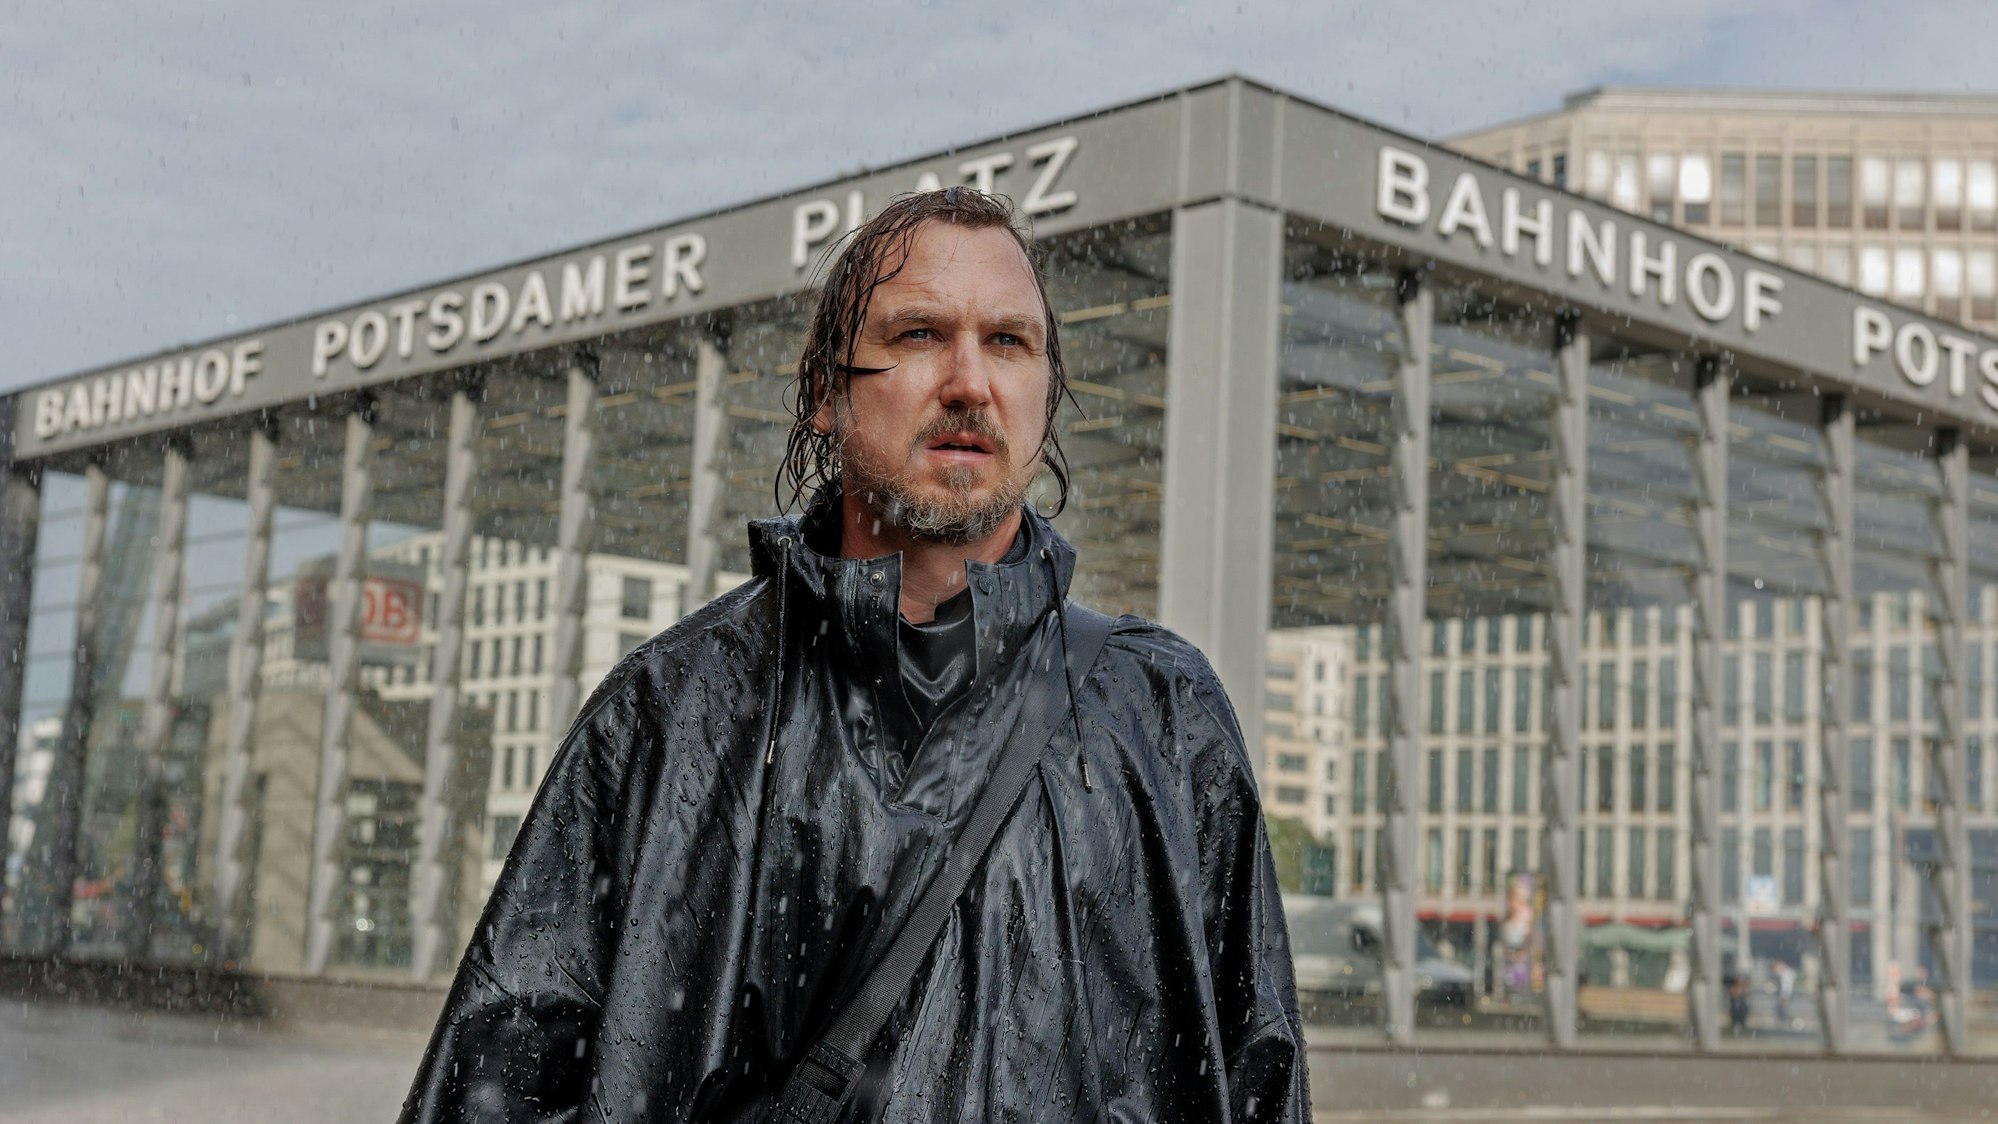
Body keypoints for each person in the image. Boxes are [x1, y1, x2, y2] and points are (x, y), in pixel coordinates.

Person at [400, 188, 1308, 1122]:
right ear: (828, 393)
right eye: (919, 335)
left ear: (1045, 394)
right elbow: (494, 1087)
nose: (969, 381)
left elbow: (1255, 1079)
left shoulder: (1161, 714)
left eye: (1008, 342)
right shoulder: (671, 715)